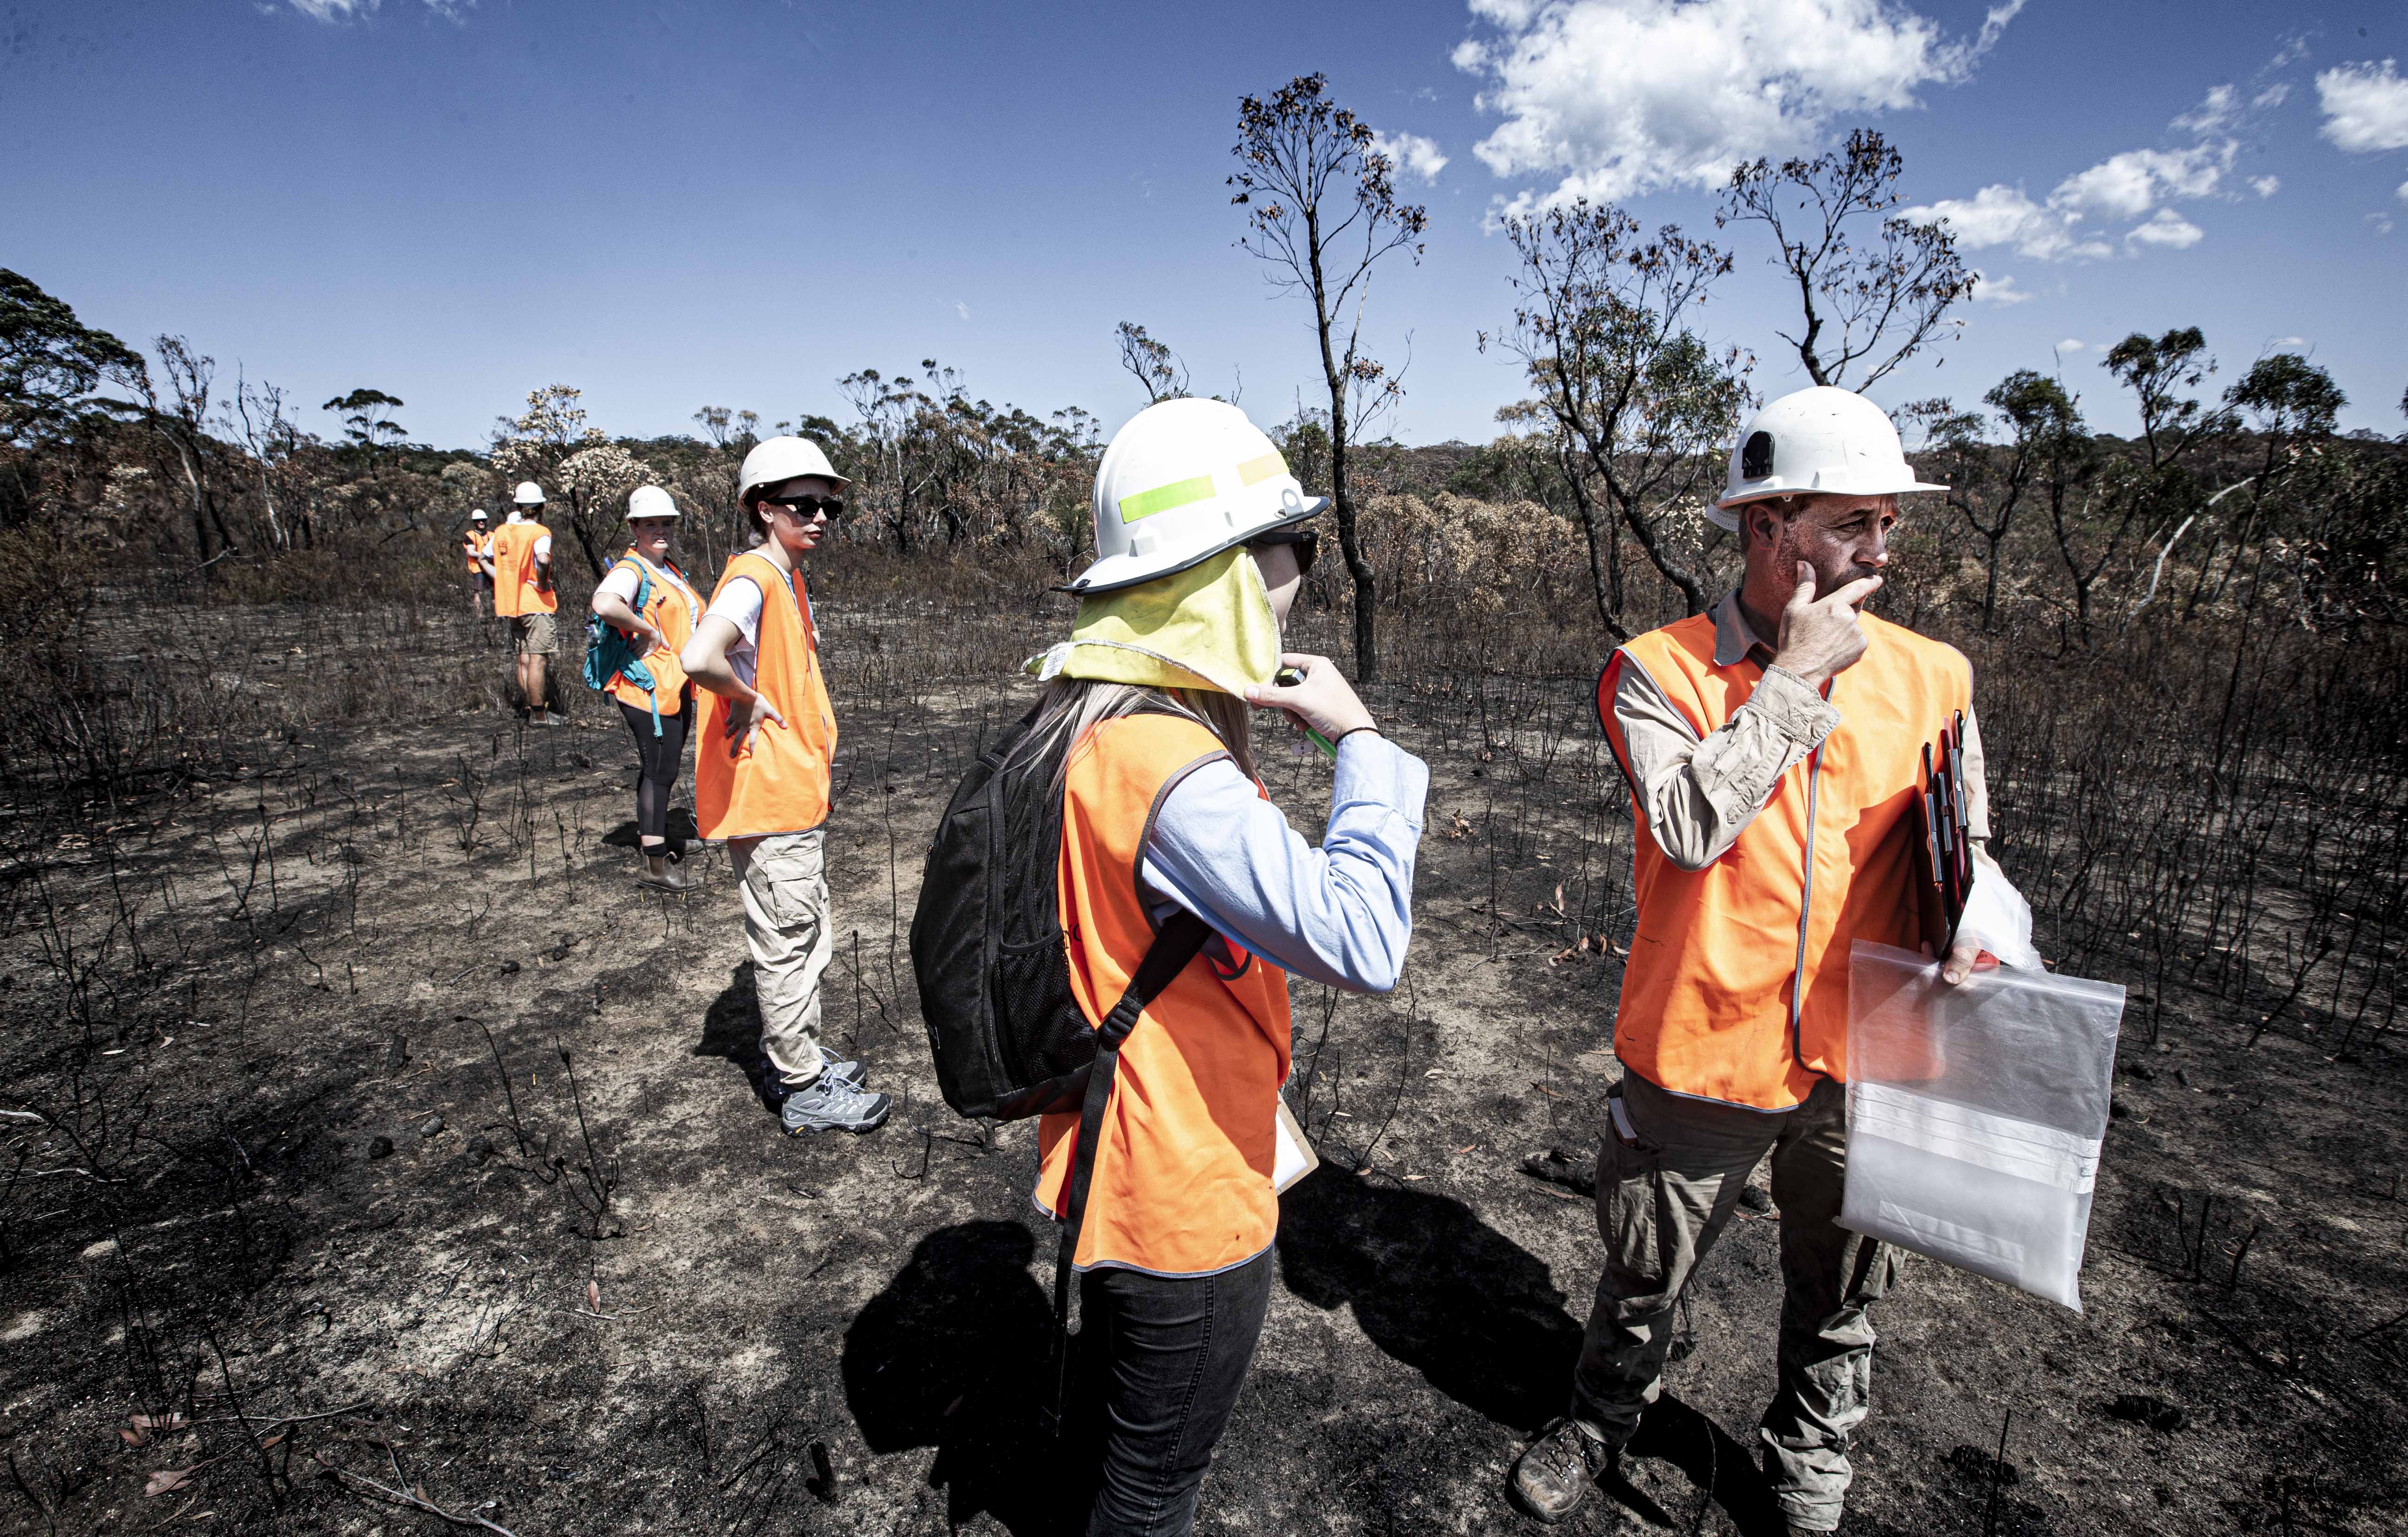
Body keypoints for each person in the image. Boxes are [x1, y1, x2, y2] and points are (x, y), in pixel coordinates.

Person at [1507, 387, 2042, 1533]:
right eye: (1853, 522)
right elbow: (1690, 827)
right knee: (1646, 1267)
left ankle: (1808, 1469)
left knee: (1843, 1289)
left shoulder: (1933, 675)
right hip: (1699, 1045)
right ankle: (1601, 1416)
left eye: (1889, 523)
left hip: (1868, 1049)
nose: (1880, 549)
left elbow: (1969, 840)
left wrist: (1987, 914)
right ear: (1768, 527)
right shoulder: (1653, 668)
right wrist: (1794, 679)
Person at [1023, 398, 1427, 1537]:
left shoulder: (1089, 716)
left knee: (1115, 1447)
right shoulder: (1167, 761)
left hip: (1116, 1143)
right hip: (1181, 1191)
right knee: (1155, 1488)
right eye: (1292, 548)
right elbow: (1360, 938)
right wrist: (1362, 745)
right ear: (1227, 574)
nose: (1303, 574)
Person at [681, 437, 884, 1134]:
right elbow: (698, 655)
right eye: (805, 504)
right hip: (767, 798)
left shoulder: (786, 576)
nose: (821, 516)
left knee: (806, 932)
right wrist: (740, 698)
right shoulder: (754, 579)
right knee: (788, 940)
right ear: (765, 509)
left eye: (829, 504)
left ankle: (800, 1054)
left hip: (792, 794)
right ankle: (801, 1084)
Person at [592, 484, 703, 893]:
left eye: (667, 523)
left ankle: (658, 842)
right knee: (660, 772)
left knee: (662, 769)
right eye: (651, 523)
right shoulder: (632, 569)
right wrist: (647, 631)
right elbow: (604, 603)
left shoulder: (667, 567)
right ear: (634, 526)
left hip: (675, 684)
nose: (661, 530)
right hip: (649, 689)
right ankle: (654, 867)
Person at [485, 481, 561, 726]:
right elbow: (543, 560)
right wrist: (542, 583)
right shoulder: (540, 532)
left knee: (524, 658)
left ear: (518, 505)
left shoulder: (501, 531)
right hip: (534, 603)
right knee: (538, 660)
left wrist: (504, 580)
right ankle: (540, 715)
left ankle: (532, 710)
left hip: (512, 604)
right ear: (541, 506)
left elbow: (483, 559)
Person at [463, 508, 493, 621]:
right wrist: (485, 555)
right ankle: (480, 617)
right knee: (478, 592)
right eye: (478, 520)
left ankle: (498, 614)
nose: (481, 522)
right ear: (474, 522)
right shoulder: (470, 535)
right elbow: (470, 551)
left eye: (483, 520)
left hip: (492, 567)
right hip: (478, 568)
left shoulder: (492, 535)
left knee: (495, 590)